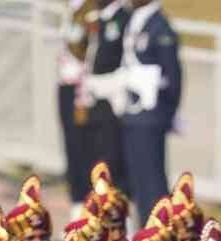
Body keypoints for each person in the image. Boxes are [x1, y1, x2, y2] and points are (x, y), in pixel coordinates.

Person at [61, 0, 131, 221]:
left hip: (97, 91)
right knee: (77, 151)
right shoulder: (79, 9)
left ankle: (113, 216)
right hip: (78, 87)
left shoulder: (98, 11)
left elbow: (83, 47)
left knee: (105, 157)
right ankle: (80, 208)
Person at [121, 0, 183, 224]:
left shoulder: (160, 27)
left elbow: (172, 76)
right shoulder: (135, 21)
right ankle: (144, 229)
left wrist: (167, 112)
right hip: (132, 113)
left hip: (150, 115)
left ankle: (158, 233)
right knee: (137, 181)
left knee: (152, 182)